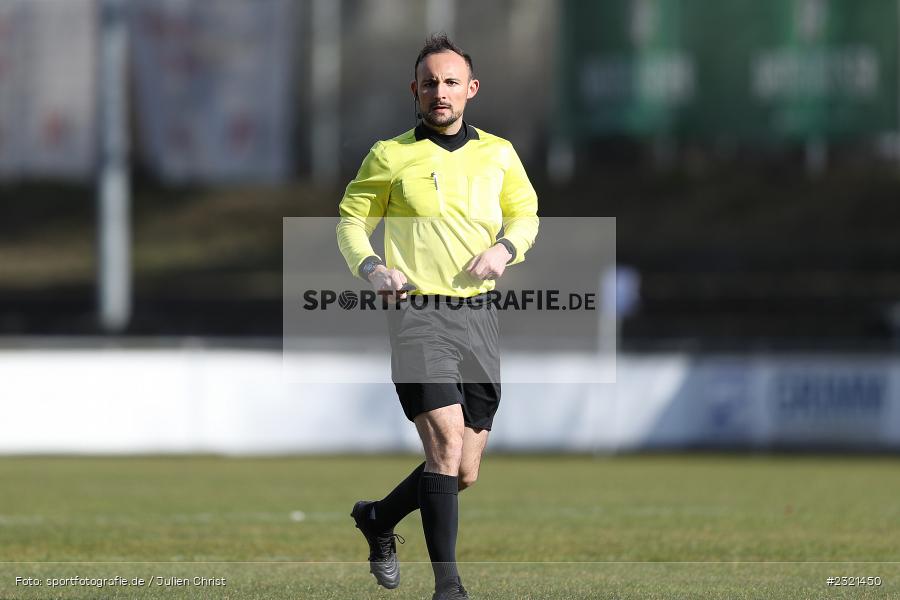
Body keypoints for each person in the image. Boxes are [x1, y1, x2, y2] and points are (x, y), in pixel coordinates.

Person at [336, 34, 538, 600]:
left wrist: (506, 248)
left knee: (463, 470)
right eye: (430, 83)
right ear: (415, 91)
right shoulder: (390, 155)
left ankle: (378, 517)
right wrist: (374, 269)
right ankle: (449, 587)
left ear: (470, 90)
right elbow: (350, 222)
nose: (440, 92)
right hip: (417, 315)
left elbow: (526, 215)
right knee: (445, 445)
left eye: (451, 82)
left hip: (479, 318)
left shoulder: (499, 154)